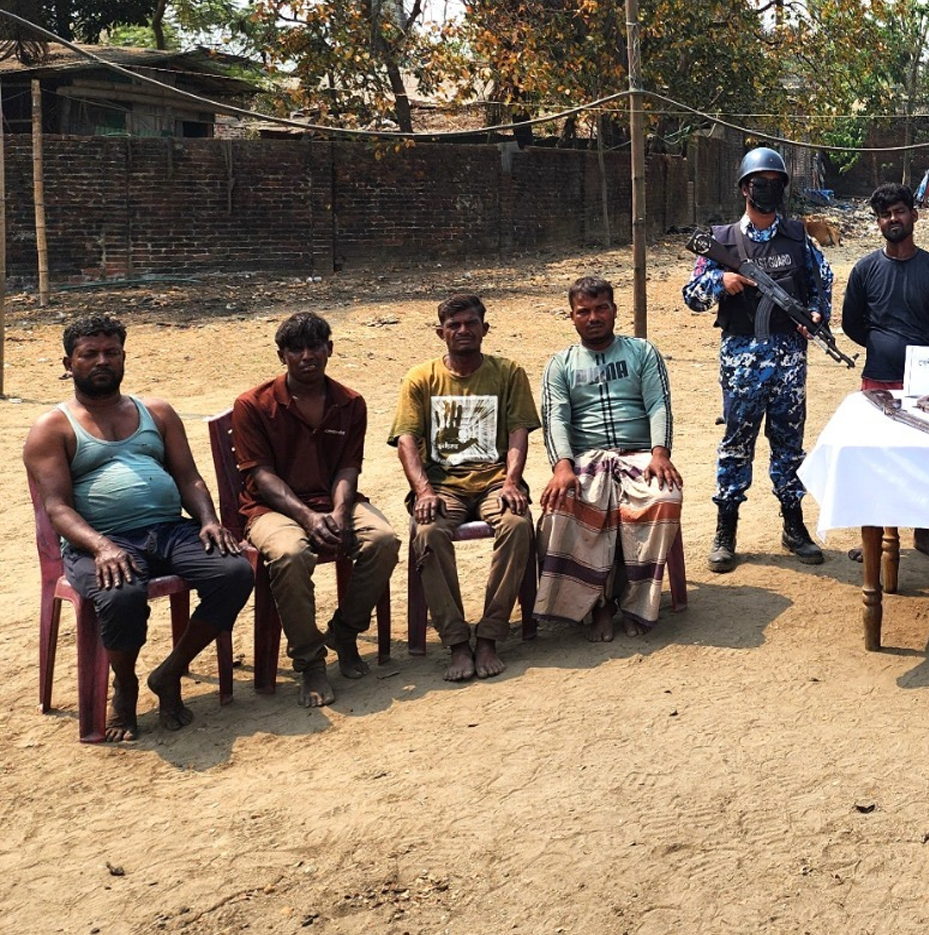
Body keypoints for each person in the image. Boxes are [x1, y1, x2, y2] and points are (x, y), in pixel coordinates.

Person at [22, 316, 252, 740]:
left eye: (111, 352)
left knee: (235, 571)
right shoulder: (52, 428)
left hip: (169, 530)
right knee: (122, 593)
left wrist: (208, 520)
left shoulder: (157, 412)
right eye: (89, 354)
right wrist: (102, 547)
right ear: (69, 364)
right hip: (100, 541)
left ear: (124, 357)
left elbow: (189, 477)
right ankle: (124, 685)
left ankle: (170, 672)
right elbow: (57, 508)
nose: (102, 361)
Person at [231, 311, 400, 707]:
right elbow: (263, 476)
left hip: (333, 499)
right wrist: (307, 517)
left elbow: (348, 467)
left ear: (329, 349)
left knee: (384, 539)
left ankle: (345, 630)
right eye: (296, 349)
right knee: (291, 554)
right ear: (282, 356)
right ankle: (310, 661)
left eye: (315, 346)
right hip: (271, 508)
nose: (307, 356)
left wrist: (340, 512)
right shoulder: (253, 404)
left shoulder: (349, 402)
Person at [683, 147, 833, 572]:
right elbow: (691, 296)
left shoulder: (798, 238)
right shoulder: (723, 240)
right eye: (759, 183)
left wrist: (816, 315)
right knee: (736, 445)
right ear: (745, 189)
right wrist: (721, 280)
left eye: (775, 183)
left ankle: (793, 525)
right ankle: (726, 529)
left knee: (789, 446)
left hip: (789, 360)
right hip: (741, 360)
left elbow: (821, 283)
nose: (768, 189)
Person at [391, 294, 540, 681]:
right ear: (440, 332)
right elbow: (406, 440)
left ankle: (490, 634)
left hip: (495, 482)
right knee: (427, 532)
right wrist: (424, 491)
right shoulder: (421, 378)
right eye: (453, 325)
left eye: (470, 323)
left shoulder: (507, 372)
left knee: (518, 525)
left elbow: (518, 432)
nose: (462, 331)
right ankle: (456, 641)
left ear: (484, 329)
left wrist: (511, 482)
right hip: (443, 487)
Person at [536, 277, 684, 642]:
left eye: (601, 308)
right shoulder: (560, 364)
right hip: (586, 458)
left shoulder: (642, 352)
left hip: (639, 453)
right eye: (583, 311)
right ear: (572, 317)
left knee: (664, 498)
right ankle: (597, 605)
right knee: (561, 507)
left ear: (615, 310)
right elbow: (556, 418)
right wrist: (562, 467)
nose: (593, 317)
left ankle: (636, 604)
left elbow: (658, 403)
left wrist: (660, 453)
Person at [840, 183, 929, 563]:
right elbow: (851, 323)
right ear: (878, 222)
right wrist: (881, 343)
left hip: (923, 387)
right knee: (877, 459)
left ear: (914, 215)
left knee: (923, 460)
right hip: (878, 380)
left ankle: (922, 534)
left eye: (899, 211)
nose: (893, 219)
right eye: (885, 214)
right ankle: (873, 535)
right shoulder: (865, 270)